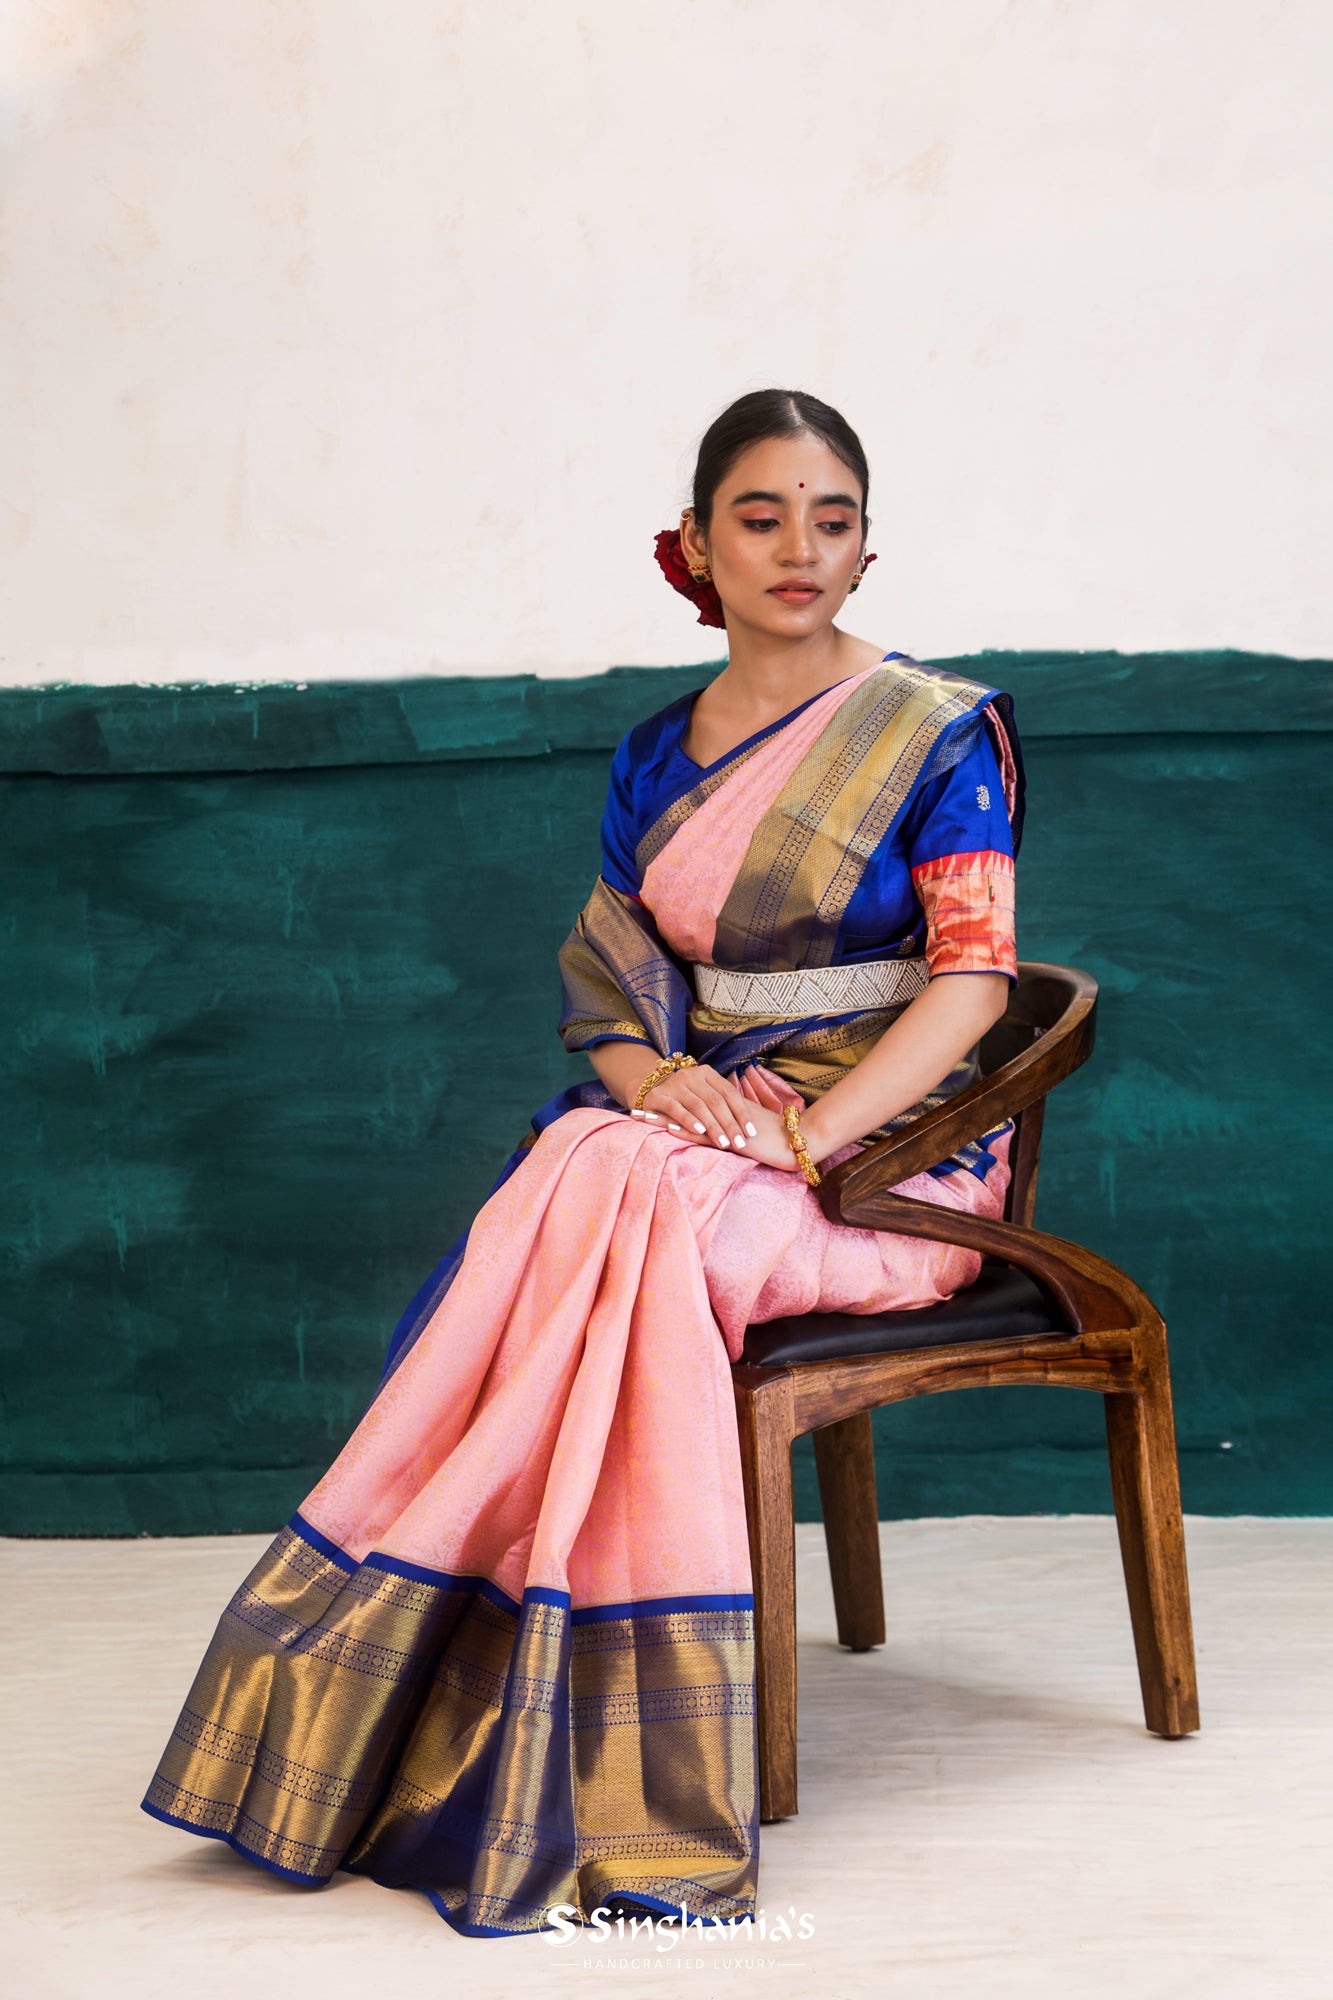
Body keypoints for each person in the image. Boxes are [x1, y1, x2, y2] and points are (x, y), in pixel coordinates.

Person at [142, 389, 1023, 1938]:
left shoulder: (935, 732)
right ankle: (451, 1692)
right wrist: (675, 1087)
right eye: (760, 515)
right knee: (607, 1168)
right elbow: (609, 1003)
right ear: (692, 546)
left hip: (891, 1166)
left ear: (869, 548)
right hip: (707, 1140)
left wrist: (808, 1134)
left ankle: (569, 1724)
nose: (797, 548)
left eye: (831, 519)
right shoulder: (652, 757)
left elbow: (973, 980)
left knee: (607, 1187)